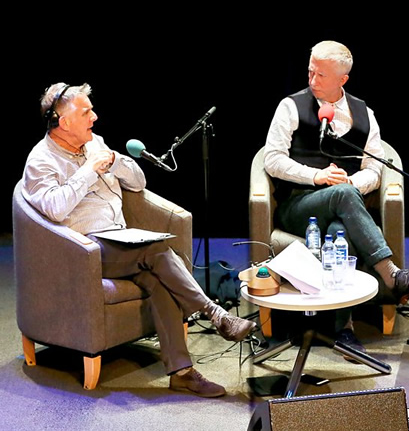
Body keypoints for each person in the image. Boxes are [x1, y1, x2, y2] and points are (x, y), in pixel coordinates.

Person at [22, 83, 257, 397]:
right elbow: (53, 208)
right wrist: (89, 172)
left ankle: (182, 372)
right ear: (64, 122)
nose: (95, 115)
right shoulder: (42, 160)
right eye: (86, 111)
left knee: (156, 276)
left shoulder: (95, 143)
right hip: (83, 251)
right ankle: (216, 314)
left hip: (121, 242)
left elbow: (138, 182)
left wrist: (116, 161)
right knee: (159, 250)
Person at [264, 40, 409, 354]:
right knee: (341, 196)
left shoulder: (364, 113)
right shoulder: (290, 106)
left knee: (339, 232)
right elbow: (272, 159)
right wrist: (317, 176)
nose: (312, 81)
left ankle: (344, 329)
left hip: (343, 205)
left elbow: (375, 168)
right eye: (310, 72)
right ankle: (391, 275)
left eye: (321, 76)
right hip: (299, 204)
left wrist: (351, 182)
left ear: (342, 80)